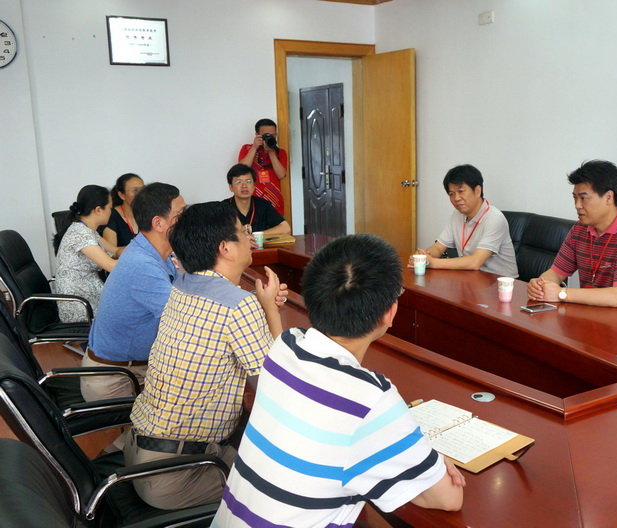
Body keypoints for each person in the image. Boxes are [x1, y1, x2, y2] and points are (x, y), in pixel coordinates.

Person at [213, 233, 465, 528]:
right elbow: (449, 499)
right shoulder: (371, 401)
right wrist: (430, 461)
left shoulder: (284, 347)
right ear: (390, 313)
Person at [124, 201, 284, 510]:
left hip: (141, 457)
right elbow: (277, 387)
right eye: (244, 231)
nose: (248, 236)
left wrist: (260, 303)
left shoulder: (182, 284)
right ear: (225, 247)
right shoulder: (239, 306)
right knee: (287, 483)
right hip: (179, 474)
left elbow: (217, 314)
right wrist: (271, 312)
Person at [81, 183, 186, 403]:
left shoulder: (154, 252)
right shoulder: (143, 265)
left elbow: (183, 295)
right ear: (158, 223)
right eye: (181, 214)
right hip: (117, 379)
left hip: (136, 368)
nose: (188, 220)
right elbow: (184, 320)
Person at [527, 160, 617, 314]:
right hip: (590, 315)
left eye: (583, 198)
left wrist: (561, 294)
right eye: (574, 198)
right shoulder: (579, 229)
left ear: (608, 197)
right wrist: (540, 285)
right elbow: (556, 272)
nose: (577, 205)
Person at [411, 164, 518, 277]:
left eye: (461, 191)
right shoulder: (457, 215)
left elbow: (475, 262)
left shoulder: (494, 219)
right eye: (451, 194)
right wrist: (423, 257)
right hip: (472, 277)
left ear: (477, 191)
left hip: (501, 282)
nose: (456, 198)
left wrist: (433, 263)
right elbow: (438, 247)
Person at [52, 185, 120, 322]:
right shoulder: (80, 234)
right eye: (110, 208)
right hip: (79, 305)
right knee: (130, 310)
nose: (111, 212)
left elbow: (115, 251)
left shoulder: (88, 231)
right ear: (98, 210)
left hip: (90, 295)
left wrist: (142, 248)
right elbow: (111, 265)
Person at [237, 118, 288, 215]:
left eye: (273, 135)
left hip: (274, 202)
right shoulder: (247, 149)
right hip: (252, 202)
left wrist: (271, 152)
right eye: (266, 135)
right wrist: (254, 147)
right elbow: (242, 170)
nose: (270, 138)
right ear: (257, 135)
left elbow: (281, 175)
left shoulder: (280, 153)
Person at [223, 163, 291, 236]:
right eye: (238, 182)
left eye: (248, 181)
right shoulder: (223, 208)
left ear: (254, 185)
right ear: (231, 187)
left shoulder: (263, 205)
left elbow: (286, 229)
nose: (244, 186)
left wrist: (255, 235)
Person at [101, 173, 145, 249]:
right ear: (122, 195)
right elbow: (111, 252)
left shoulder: (148, 214)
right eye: (135, 190)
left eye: (143, 190)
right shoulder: (111, 216)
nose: (141, 194)